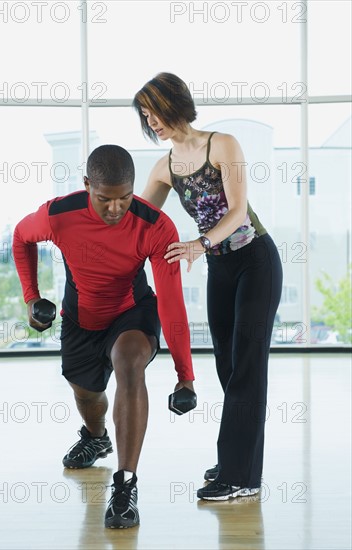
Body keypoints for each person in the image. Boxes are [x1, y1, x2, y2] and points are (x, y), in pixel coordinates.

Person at [12, 144, 195, 528]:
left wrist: (185, 375)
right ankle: (96, 437)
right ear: (86, 186)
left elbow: (172, 304)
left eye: (124, 199)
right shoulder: (58, 214)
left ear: (133, 190)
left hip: (132, 311)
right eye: (104, 200)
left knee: (130, 363)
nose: (115, 209)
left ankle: (125, 486)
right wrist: (31, 299)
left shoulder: (156, 226)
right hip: (81, 317)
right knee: (86, 393)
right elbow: (21, 238)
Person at [133, 73, 283, 501]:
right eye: (145, 115)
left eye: (154, 110)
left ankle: (240, 477)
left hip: (255, 261)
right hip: (219, 269)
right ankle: (239, 461)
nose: (151, 121)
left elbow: (237, 212)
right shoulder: (164, 167)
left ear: (174, 102)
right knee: (228, 369)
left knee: (248, 370)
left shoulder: (223, 144)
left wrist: (198, 243)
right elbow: (139, 218)